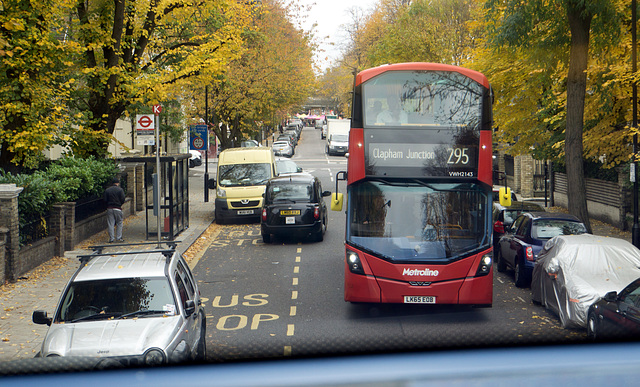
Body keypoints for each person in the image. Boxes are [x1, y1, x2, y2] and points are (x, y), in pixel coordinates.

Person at [104, 177, 126, 243]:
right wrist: (119, 204)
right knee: (119, 222)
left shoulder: (107, 190)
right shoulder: (120, 190)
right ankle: (119, 237)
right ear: (118, 183)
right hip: (117, 208)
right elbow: (123, 199)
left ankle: (111, 238)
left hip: (109, 208)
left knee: (111, 223)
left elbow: (105, 200)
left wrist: (107, 205)